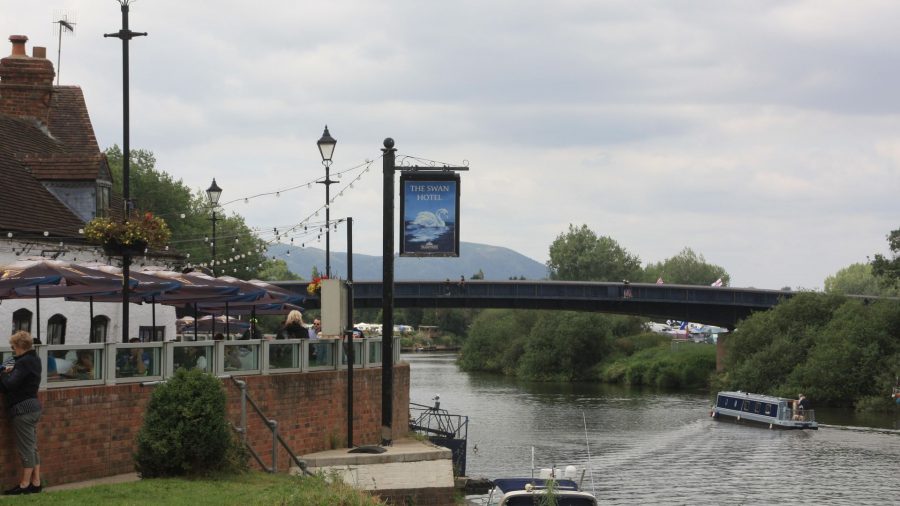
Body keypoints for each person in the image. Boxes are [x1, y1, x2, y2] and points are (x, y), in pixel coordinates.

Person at [0, 331, 43, 495]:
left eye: (13, 346)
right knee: (32, 447)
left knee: (26, 448)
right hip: (34, 407)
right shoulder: (35, 359)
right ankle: (36, 482)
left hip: (23, 410)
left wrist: (3, 373)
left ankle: (24, 485)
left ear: (19, 346)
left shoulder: (23, 362)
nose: (12, 350)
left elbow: (10, 384)